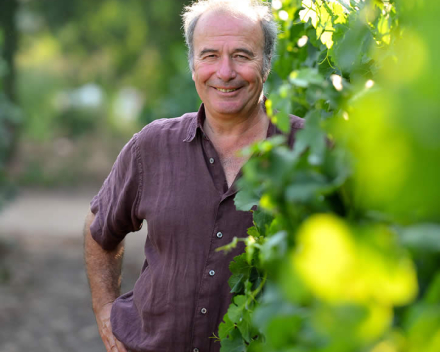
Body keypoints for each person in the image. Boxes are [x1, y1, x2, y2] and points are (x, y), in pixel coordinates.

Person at [83, 1, 304, 351]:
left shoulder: (308, 152)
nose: (225, 71)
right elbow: (99, 230)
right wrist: (105, 311)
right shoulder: (152, 146)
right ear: (193, 65)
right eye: (210, 55)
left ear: (267, 63)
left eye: (242, 56)